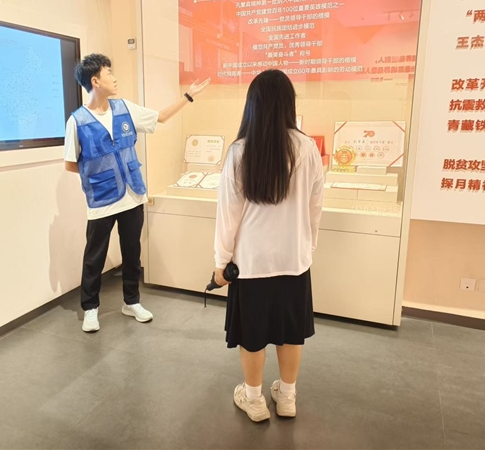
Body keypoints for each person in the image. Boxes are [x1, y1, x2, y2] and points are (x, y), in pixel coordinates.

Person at [64, 53, 210, 332]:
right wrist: (101, 174)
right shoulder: (77, 121)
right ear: (95, 81)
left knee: (132, 252)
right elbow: (71, 163)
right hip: (102, 199)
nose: (114, 77)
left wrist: (188, 96)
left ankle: (131, 302)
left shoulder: (124, 108)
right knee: (94, 256)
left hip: (132, 194)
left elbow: (161, 117)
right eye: (108, 72)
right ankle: (91, 308)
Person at [213, 69, 324, 422]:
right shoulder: (307, 148)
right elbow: (315, 206)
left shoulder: (239, 151)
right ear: (289, 104)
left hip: (251, 262)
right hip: (294, 259)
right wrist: (308, 247)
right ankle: (287, 397)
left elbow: (228, 215)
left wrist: (221, 262)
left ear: (253, 106)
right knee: (291, 333)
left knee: (252, 335)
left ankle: (254, 400)